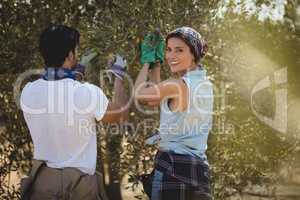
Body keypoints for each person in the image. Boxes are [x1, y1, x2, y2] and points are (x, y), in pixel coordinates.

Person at [20, 24, 129, 200]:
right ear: (70, 55)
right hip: (80, 187)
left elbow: (59, 96)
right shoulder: (87, 93)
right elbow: (121, 115)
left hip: (43, 184)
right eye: (75, 51)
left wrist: (75, 74)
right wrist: (118, 75)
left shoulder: (27, 92)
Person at [134, 27, 213, 200]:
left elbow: (140, 95)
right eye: (168, 50)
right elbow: (157, 99)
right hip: (199, 170)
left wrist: (147, 62)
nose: (171, 56)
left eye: (179, 50)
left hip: (172, 168)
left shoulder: (176, 85)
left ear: (193, 54)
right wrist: (157, 65)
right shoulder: (205, 84)